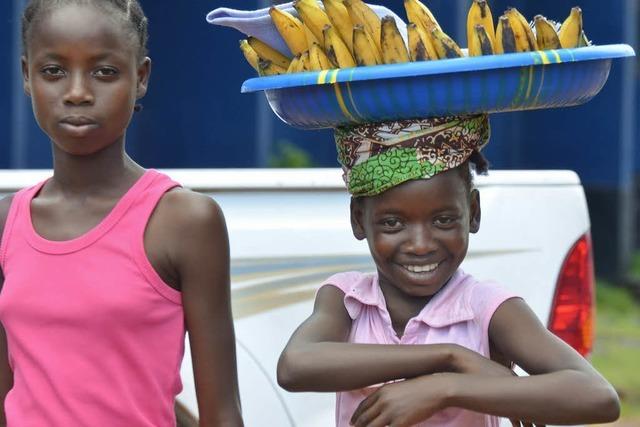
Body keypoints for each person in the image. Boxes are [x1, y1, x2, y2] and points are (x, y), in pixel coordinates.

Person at [277, 115, 620, 427]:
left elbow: (597, 396)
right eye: (393, 223)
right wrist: (451, 358)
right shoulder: (347, 299)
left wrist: (447, 388)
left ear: (472, 212)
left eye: (443, 220)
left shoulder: (484, 308)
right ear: (358, 220)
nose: (421, 244)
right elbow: (295, 366)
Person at [0, 1, 243, 426]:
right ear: (26, 76)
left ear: (141, 77)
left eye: (104, 72)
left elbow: (222, 415)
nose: (77, 91)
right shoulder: (7, 223)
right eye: (53, 70)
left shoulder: (183, 221)